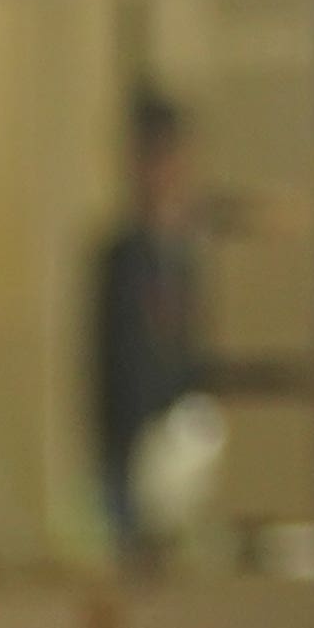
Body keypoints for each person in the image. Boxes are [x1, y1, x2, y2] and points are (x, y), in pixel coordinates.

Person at [89, 83, 214, 556]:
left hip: (180, 443)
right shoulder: (118, 256)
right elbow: (100, 365)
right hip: (126, 447)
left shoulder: (185, 254)